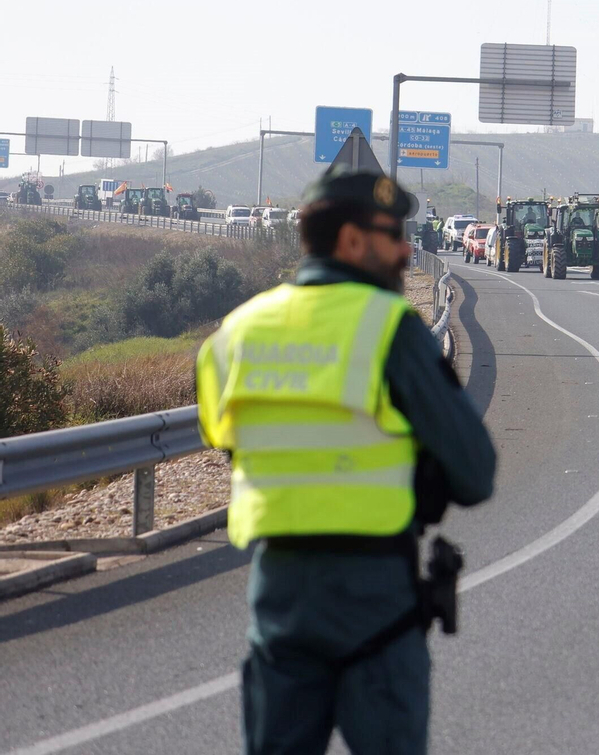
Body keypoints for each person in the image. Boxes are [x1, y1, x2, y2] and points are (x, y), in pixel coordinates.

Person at [197, 169, 497, 755]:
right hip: (375, 600)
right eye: (393, 233)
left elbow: (220, 435)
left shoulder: (234, 335)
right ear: (353, 242)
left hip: (278, 600)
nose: (407, 248)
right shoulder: (389, 331)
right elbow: (475, 472)